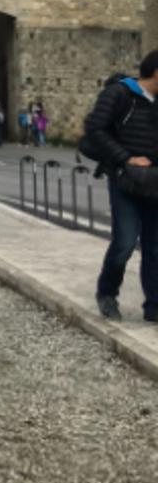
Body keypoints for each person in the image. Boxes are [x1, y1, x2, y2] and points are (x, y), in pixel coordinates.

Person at [83, 51, 158, 323]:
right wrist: (126, 157)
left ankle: (154, 306)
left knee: (155, 248)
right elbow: (96, 129)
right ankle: (107, 293)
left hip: (155, 182)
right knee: (125, 243)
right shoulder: (119, 93)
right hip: (125, 180)